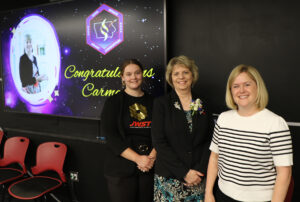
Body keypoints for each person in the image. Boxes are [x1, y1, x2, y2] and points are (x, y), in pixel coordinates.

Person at [205, 64, 293, 202]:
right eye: (236, 86)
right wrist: (208, 192)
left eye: (247, 84)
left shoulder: (275, 123)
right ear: (230, 91)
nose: (241, 90)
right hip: (222, 196)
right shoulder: (223, 119)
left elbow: (284, 173)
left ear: (258, 87)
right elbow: (214, 158)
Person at [152, 55, 214, 201]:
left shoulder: (202, 103)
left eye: (185, 72)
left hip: (197, 177)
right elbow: (159, 142)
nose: (181, 77)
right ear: (171, 78)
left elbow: (210, 139)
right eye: (176, 73)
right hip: (169, 178)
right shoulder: (161, 104)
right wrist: (184, 172)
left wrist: (199, 169)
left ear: (192, 75)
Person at [100, 59, 156, 202]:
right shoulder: (113, 102)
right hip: (121, 169)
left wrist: (151, 158)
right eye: (129, 74)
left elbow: (162, 134)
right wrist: (138, 159)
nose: (133, 77)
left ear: (142, 75)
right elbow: (111, 137)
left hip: (148, 167)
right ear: (123, 77)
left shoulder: (154, 102)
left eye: (137, 73)